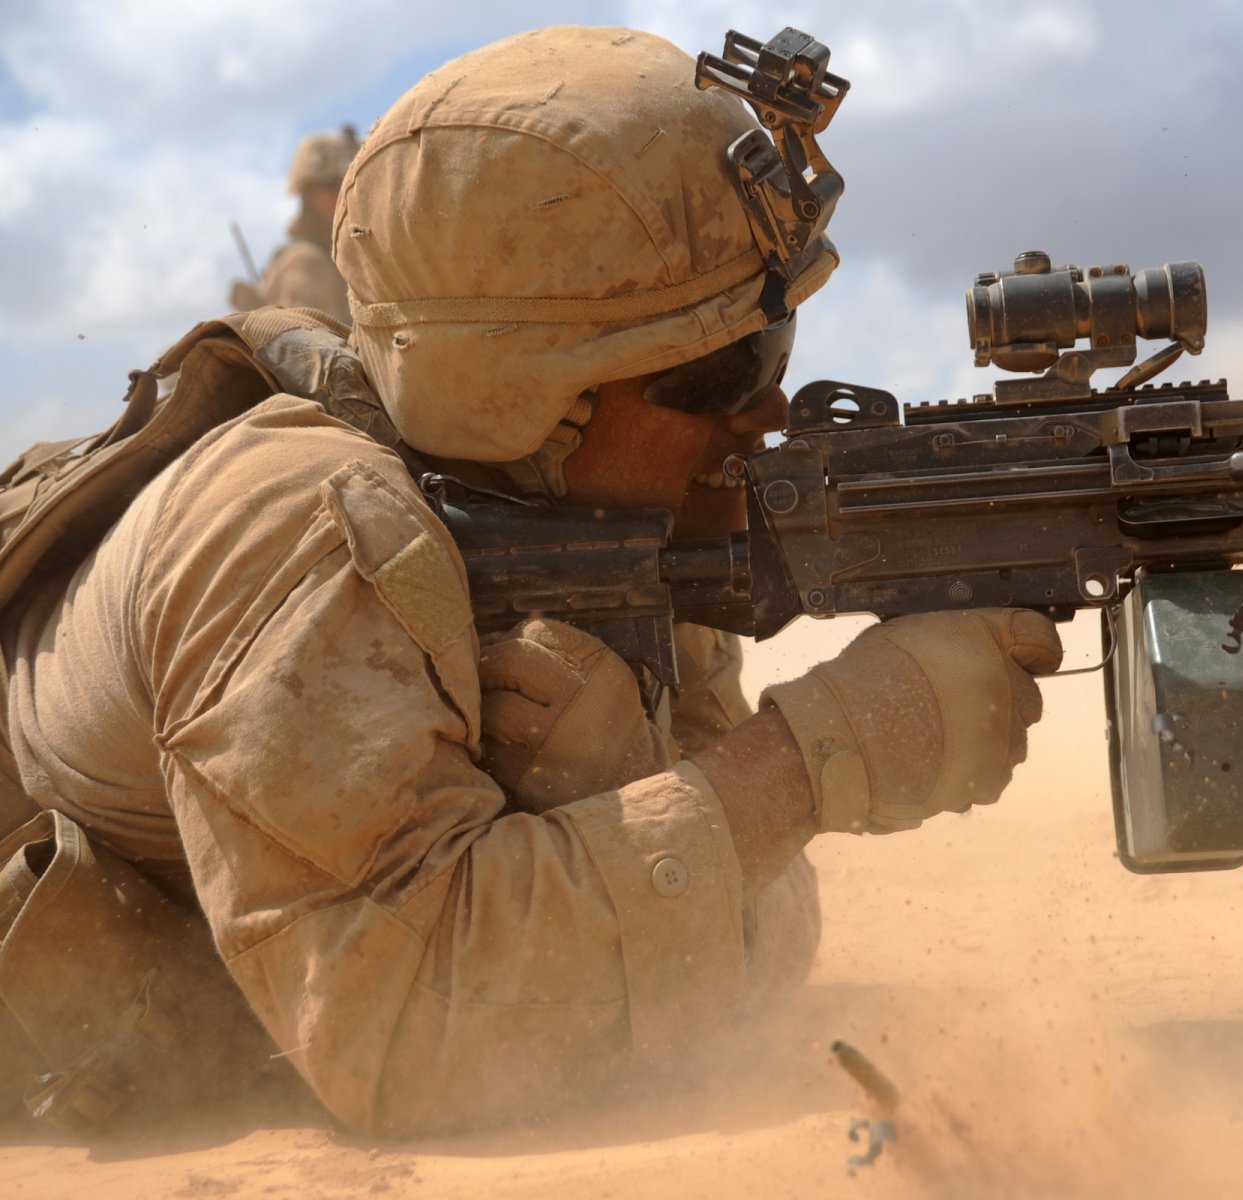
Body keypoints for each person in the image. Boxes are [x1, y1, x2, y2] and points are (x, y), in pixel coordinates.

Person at [0, 26, 1059, 1137]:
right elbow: (412, 1042)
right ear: (534, 400)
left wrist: (634, 793)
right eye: (723, 371)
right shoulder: (296, 534)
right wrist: (801, 766)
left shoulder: (595, 527)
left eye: (776, 340)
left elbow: (764, 940)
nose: (771, 414)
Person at [229, 126, 357, 323]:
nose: (345, 196)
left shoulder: (335, 259)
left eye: (352, 186)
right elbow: (317, 351)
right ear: (309, 194)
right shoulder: (307, 264)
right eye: (334, 186)